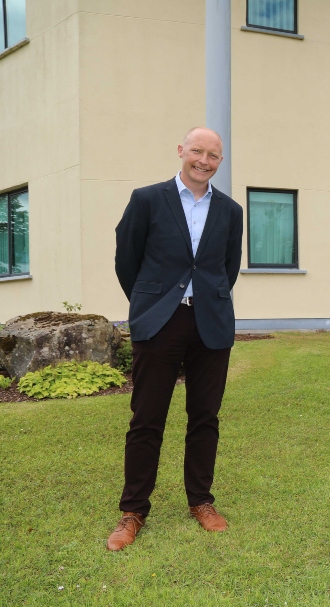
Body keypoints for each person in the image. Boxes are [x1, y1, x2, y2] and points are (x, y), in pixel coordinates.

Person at [108, 127, 244, 551]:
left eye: (213, 156)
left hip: (210, 323)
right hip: (160, 323)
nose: (204, 161)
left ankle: (201, 501)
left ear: (220, 162)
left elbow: (228, 266)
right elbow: (126, 260)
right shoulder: (147, 199)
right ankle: (133, 511)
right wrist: (152, 304)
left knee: (205, 418)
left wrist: (207, 299)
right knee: (146, 419)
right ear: (181, 151)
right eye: (197, 151)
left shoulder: (230, 209)